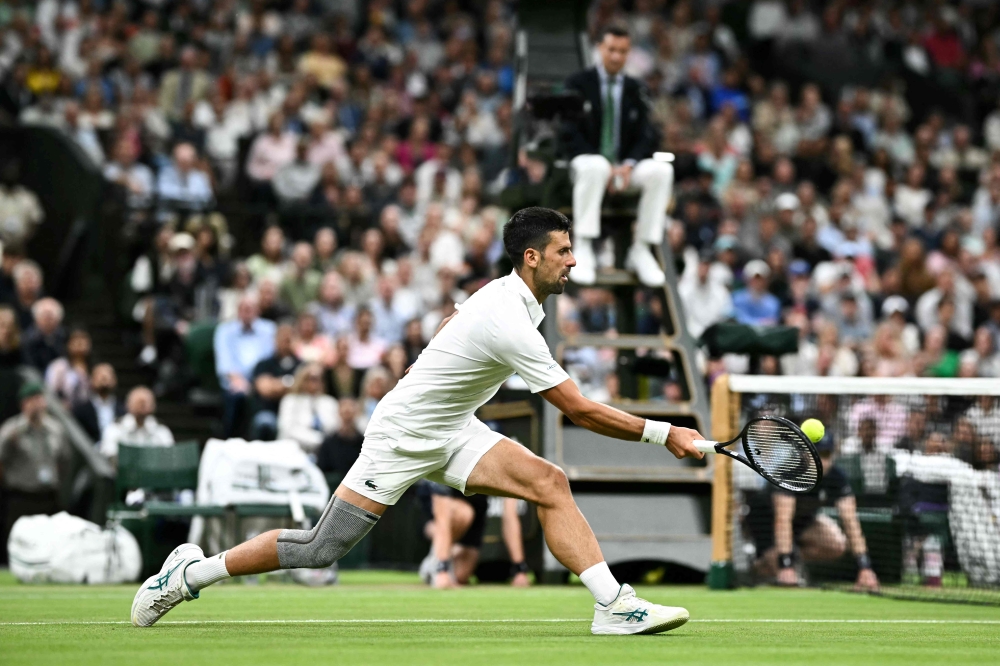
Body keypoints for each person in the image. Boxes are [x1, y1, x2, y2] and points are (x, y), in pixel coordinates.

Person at [131, 207, 705, 636]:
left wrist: (424, 379)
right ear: (532, 257)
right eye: (563, 251)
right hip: (402, 437)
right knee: (320, 548)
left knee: (548, 482)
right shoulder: (508, 317)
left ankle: (612, 605)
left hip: (454, 427)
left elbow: (445, 335)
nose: (573, 260)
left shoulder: (512, 299)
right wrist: (666, 432)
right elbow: (577, 408)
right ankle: (188, 575)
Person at [563, 24, 674, 287]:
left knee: (662, 171)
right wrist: (603, 164)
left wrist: (628, 165)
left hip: (624, 169)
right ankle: (585, 245)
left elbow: (647, 135)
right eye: (611, 49)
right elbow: (567, 132)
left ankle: (642, 247)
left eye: (622, 51)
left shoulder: (637, 89)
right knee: (596, 166)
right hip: (585, 165)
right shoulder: (578, 84)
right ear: (600, 48)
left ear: (628, 53)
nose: (616, 56)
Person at [751, 434, 880, 593]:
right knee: (779, 575)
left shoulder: (836, 477)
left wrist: (865, 567)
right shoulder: (790, 472)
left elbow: (850, 521)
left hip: (804, 524)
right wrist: (786, 565)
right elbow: (782, 520)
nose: (822, 462)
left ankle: (793, 558)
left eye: (826, 455)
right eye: (816, 455)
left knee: (837, 545)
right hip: (767, 527)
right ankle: (764, 563)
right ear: (805, 454)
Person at [419, 484, 530, 589]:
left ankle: (444, 556)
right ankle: (436, 561)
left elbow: (510, 516)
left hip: (477, 504)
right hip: (440, 501)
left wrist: (519, 569)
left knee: (461, 576)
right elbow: (442, 517)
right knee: (464, 513)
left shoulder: (504, 469)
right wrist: (442, 568)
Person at [0, 382, 67, 555]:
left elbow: (63, 459)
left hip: (48, 496)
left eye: (39, 398)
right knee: (19, 546)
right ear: (24, 403)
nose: (37, 403)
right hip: (21, 497)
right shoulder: (12, 430)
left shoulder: (55, 429)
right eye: (32, 399)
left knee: (51, 545)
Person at [213, 294, 277, 437]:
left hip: (262, 381)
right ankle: (230, 441)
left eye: (251, 308)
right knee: (238, 397)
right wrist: (241, 382)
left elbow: (271, 359)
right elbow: (225, 363)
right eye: (244, 308)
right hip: (234, 383)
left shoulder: (270, 329)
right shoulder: (224, 330)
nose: (247, 312)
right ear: (238, 310)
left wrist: (258, 383)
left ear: (258, 310)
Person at [249, 323, 301, 441]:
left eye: (289, 339)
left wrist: (276, 384)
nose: (285, 342)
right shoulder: (263, 365)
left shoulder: (302, 365)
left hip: (296, 415)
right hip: (269, 411)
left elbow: (307, 389)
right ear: (275, 340)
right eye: (282, 338)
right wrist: (292, 384)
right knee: (265, 422)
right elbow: (265, 389)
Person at [99, 386, 175, 464]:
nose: (142, 405)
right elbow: (109, 455)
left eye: (145, 402)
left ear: (153, 406)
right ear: (128, 404)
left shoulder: (162, 431)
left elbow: (169, 458)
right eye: (138, 402)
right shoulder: (115, 428)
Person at [277, 363, 340, 454]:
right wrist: (319, 440)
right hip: (296, 450)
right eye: (312, 378)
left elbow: (335, 428)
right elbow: (288, 429)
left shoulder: (329, 402)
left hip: (324, 453)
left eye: (319, 379)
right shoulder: (290, 401)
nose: (315, 383)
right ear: (302, 379)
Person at [72, 363, 123, 444]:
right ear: (91, 380)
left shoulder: (123, 410)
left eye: (108, 375)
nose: (104, 377)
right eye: (99, 375)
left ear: (115, 380)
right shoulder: (80, 411)